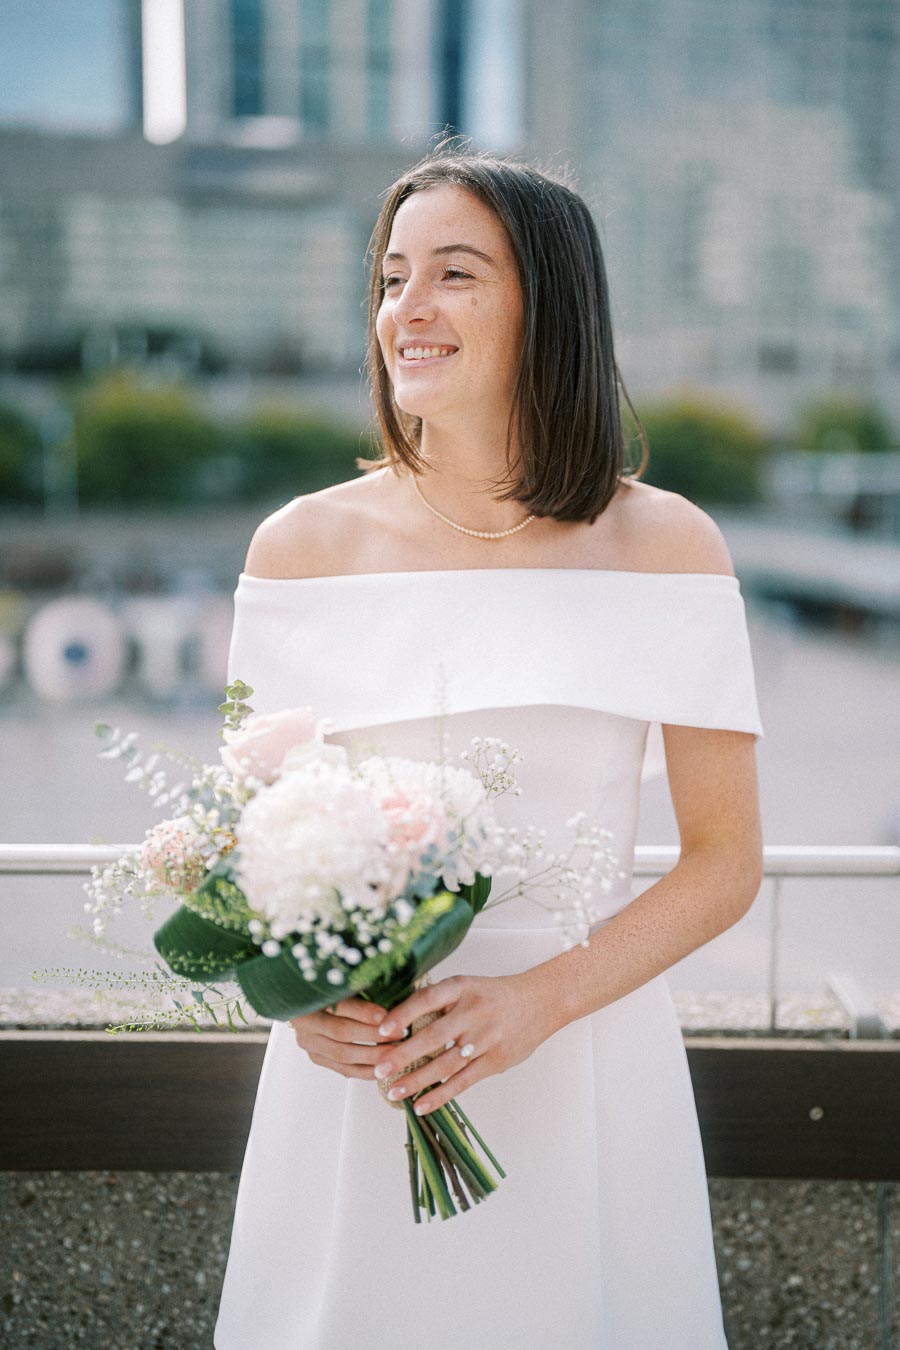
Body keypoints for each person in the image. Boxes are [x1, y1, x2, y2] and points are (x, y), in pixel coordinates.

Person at [214, 145, 764, 1350]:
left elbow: (724, 862)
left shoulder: (668, 547)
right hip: (368, 1089)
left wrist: (541, 1000)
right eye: (391, 276)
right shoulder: (298, 550)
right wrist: (303, 1005)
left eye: (454, 274)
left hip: (586, 1065)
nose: (406, 310)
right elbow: (250, 846)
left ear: (547, 307)